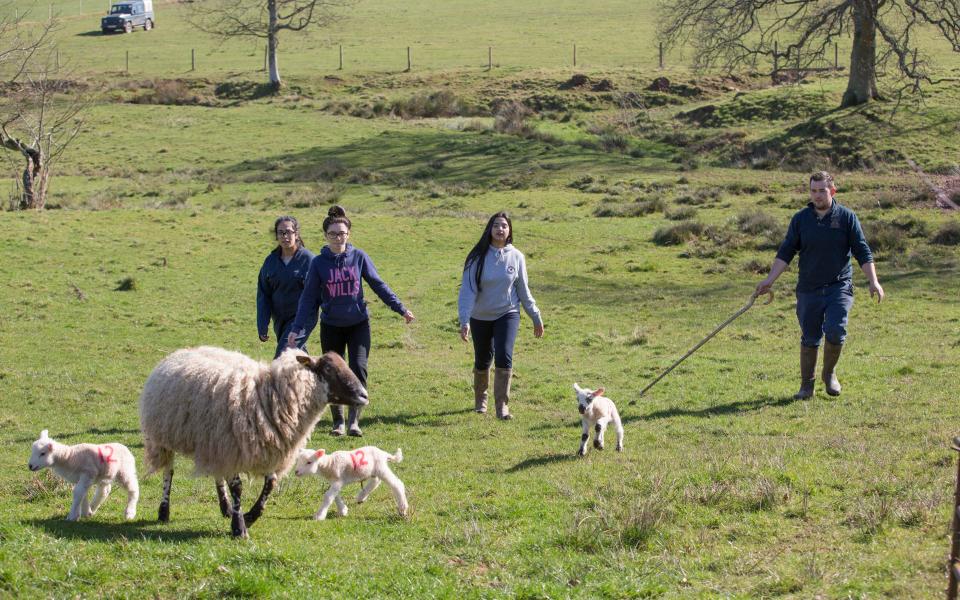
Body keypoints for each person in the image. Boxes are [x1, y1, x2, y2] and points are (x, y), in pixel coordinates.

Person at [756, 171, 884, 399]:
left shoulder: (846, 217)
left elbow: (862, 250)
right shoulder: (801, 219)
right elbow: (786, 252)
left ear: (832, 191)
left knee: (836, 329)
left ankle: (829, 374)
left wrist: (873, 281)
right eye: (813, 191)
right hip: (809, 288)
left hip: (839, 286)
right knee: (810, 336)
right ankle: (807, 386)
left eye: (822, 191)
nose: (817, 195)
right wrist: (768, 281)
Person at [288, 205, 415, 437]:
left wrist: (401, 309)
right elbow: (308, 299)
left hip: (358, 324)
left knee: (359, 368)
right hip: (331, 326)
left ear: (349, 234)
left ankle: (354, 421)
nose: (338, 238)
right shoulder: (318, 263)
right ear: (326, 236)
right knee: (332, 374)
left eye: (342, 233)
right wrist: (296, 329)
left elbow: (378, 284)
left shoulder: (359, 257)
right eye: (333, 234)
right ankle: (338, 422)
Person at [458, 212, 544, 420]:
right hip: (480, 315)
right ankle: (481, 400)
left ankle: (502, 407)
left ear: (509, 231)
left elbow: (523, 289)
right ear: (489, 229)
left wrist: (535, 315)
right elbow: (467, 291)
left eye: (504, 226)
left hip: (508, 313)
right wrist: (465, 320)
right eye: (496, 225)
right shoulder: (476, 257)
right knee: (482, 358)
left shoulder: (517, 256)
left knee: (504, 355)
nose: (500, 229)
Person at [257, 216, 316, 359]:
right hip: (280, 320)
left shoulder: (309, 260)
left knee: (283, 354)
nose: (285, 236)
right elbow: (263, 294)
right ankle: (314, 376)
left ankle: (273, 382)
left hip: (302, 318)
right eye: (281, 232)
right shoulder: (270, 261)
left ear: (296, 234)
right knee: (298, 355)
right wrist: (262, 324)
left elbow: (320, 291)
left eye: (289, 232)